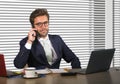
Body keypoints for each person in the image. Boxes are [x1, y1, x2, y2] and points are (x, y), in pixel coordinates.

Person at [14, 8, 81, 69]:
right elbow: (19, 64)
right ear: (33, 26)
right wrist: (30, 42)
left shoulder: (57, 39)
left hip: (56, 79)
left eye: (45, 23)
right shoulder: (26, 42)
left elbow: (73, 58)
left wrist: (76, 72)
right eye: (39, 24)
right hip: (38, 80)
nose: (43, 27)